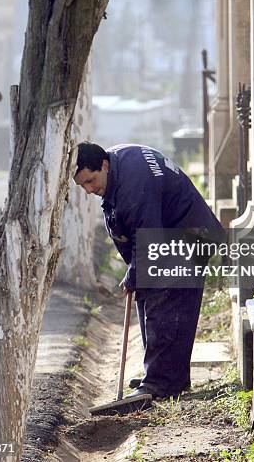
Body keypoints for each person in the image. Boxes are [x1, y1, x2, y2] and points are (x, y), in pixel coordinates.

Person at [74, 142, 224, 400]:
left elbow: (147, 239)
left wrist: (134, 274)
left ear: (104, 165)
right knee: (150, 294)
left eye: (91, 180)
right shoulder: (121, 163)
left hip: (190, 236)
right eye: (83, 186)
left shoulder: (134, 185)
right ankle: (165, 376)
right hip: (175, 233)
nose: (89, 190)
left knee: (162, 299)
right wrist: (135, 274)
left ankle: (158, 384)